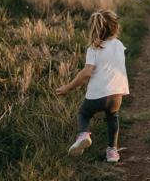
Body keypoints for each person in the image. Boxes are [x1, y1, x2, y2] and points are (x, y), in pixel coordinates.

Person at [55, 9, 129, 162]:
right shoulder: (119, 45)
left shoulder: (94, 49)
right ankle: (112, 152)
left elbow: (87, 72)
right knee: (112, 117)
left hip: (97, 94)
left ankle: (83, 135)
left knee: (84, 114)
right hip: (116, 95)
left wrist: (68, 87)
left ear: (95, 28)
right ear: (115, 28)